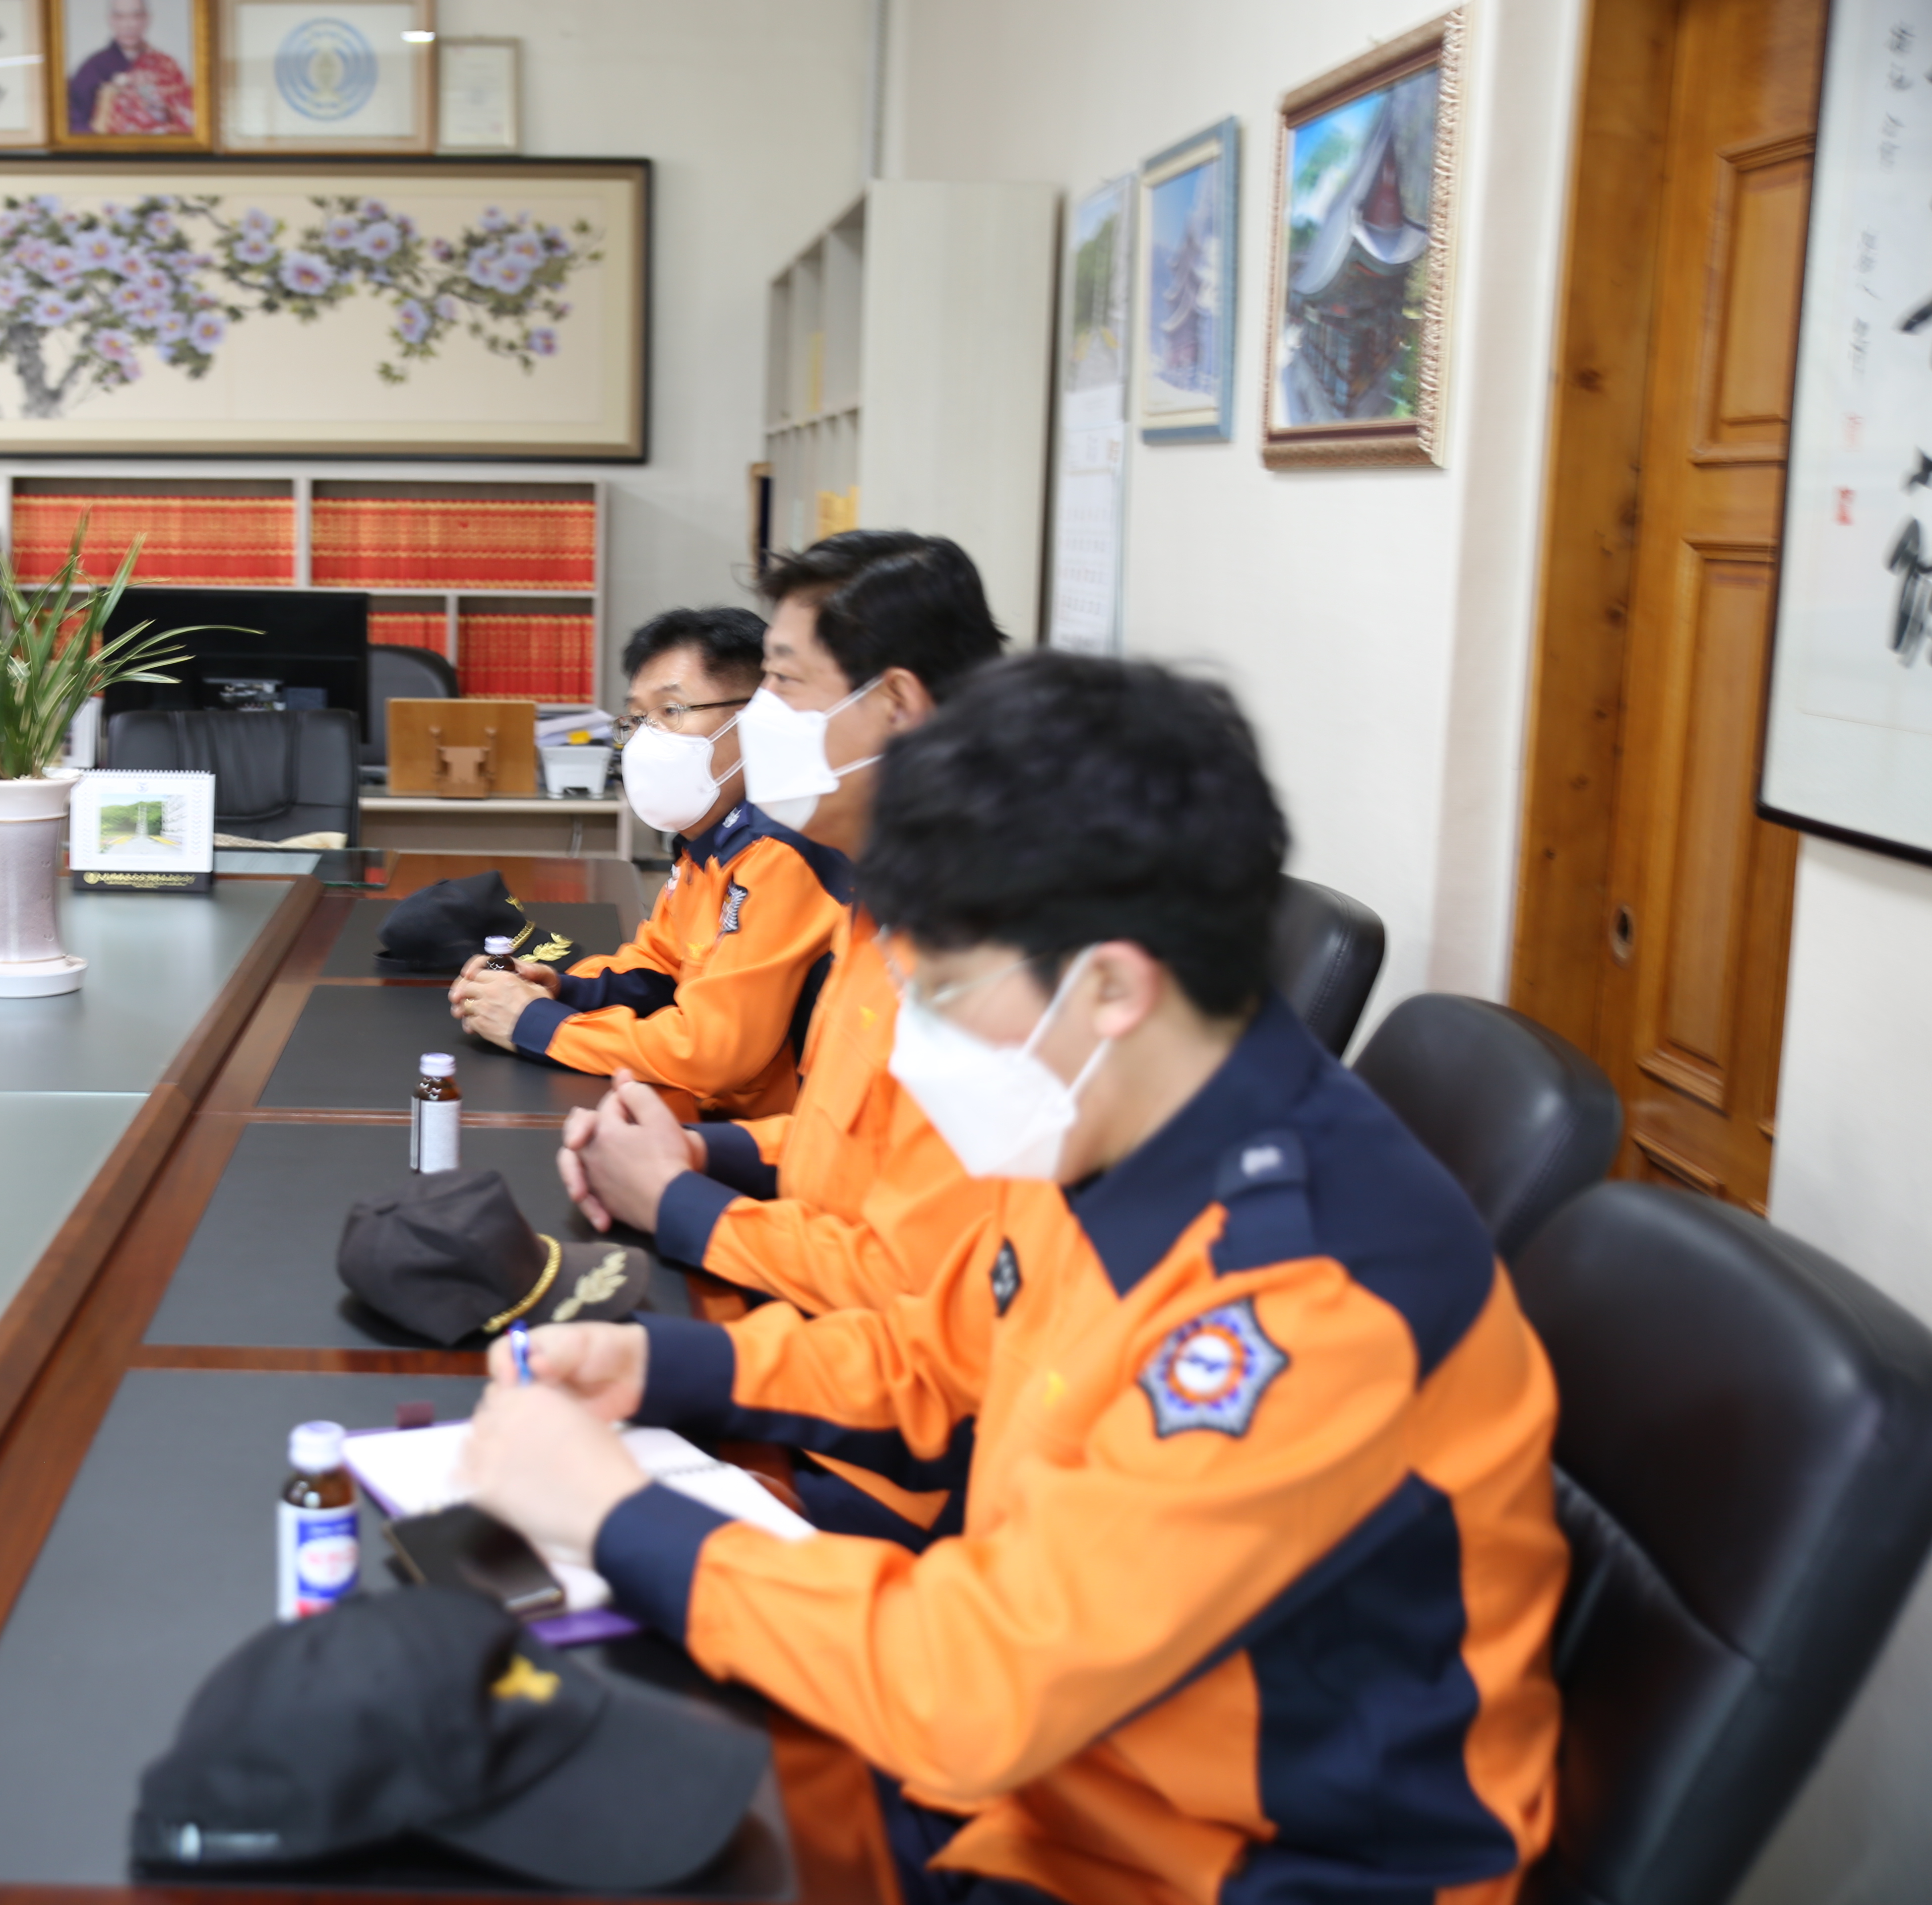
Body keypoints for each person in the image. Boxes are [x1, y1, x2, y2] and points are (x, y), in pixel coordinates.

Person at [462, 653, 1567, 1905]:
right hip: (1043, 1782)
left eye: (940, 993)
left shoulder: (1295, 1302)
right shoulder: (1110, 1120)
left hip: (1231, 1865)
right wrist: (661, 1365)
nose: (913, 1047)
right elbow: (933, 1360)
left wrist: (621, 1515)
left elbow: (977, 1691)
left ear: (1112, 985)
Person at [558, 531, 1003, 1315]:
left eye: (784, 682)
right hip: (802, 1293)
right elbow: (843, 1148)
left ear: (898, 705)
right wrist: (694, 1151)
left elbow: (911, 1293)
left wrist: (674, 1201)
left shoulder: (991, 958)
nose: (760, 714)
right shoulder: (878, 902)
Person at [446, 607, 847, 1122]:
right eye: (637, 719)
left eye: (672, 711)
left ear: (760, 720)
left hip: (770, 1140)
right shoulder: (707, 842)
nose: (644, 738)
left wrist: (535, 1024)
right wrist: (562, 989)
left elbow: (712, 1052)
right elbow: (660, 967)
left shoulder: (782, 852)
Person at [68, 0, 196, 137]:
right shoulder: (93, 67)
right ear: (111, 20)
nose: (129, 24)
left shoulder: (167, 65)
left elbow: (188, 116)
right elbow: (75, 122)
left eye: (137, 16)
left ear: (147, 19)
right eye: (120, 17)